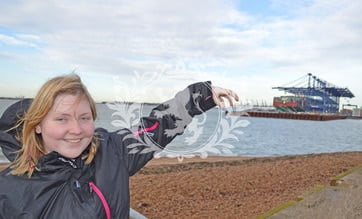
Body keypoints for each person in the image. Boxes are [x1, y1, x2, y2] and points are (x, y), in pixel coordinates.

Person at [0, 74, 238, 219]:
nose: (76, 130)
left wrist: (199, 96)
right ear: (38, 124)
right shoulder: (9, 189)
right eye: (61, 119)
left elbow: (155, 128)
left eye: (84, 118)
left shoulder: (112, 151)